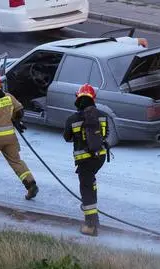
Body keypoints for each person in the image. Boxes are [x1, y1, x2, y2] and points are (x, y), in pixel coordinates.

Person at [0, 72, 39, 200]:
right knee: (16, 162)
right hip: (10, 138)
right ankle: (30, 184)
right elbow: (20, 111)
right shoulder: (9, 97)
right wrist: (17, 121)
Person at [63, 83, 109, 236]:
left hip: (84, 160)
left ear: (78, 98)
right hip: (99, 157)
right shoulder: (103, 115)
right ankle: (94, 216)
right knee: (91, 183)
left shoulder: (72, 119)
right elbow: (106, 134)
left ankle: (91, 225)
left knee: (86, 189)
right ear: (93, 99)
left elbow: (67, 138)